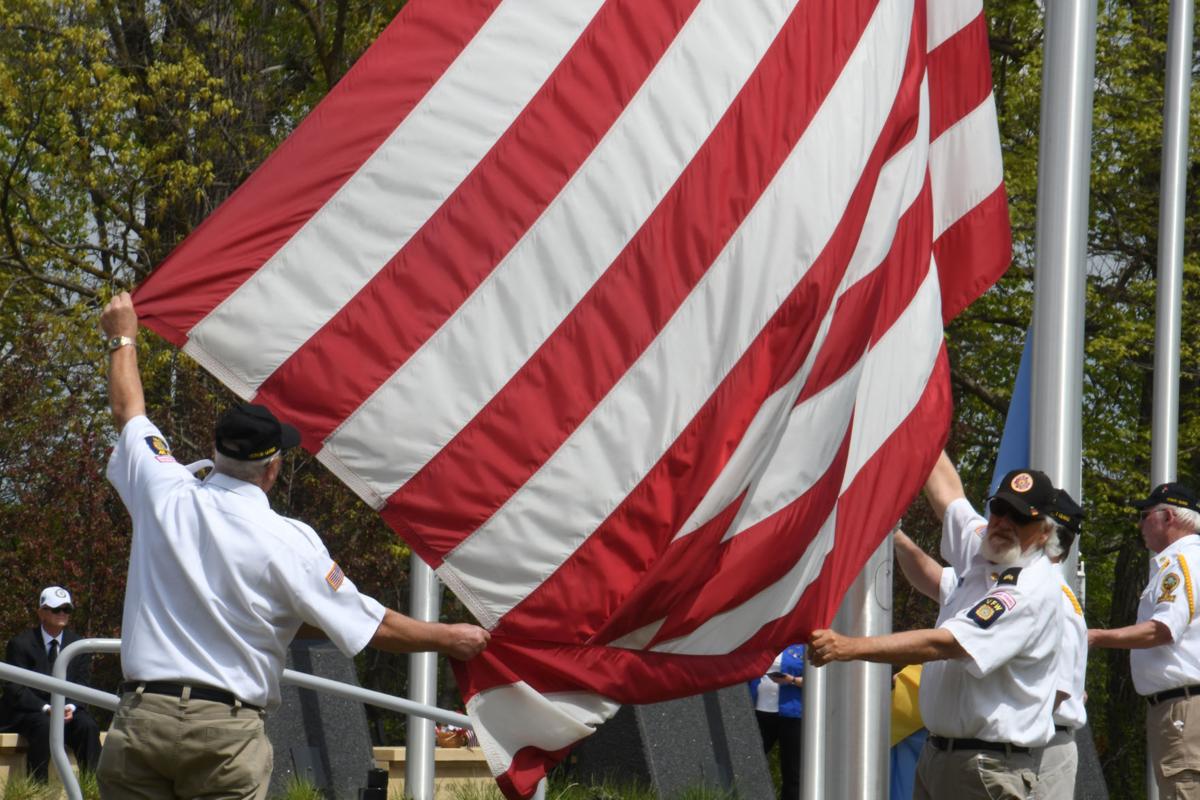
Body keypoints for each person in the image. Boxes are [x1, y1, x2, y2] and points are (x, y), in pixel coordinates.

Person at [95, 291, 490, 800]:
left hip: (139, 721)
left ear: (215, 453)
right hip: (223, 734)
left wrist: (121, 337)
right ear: (273, 467)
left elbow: (130, 413)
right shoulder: (289, 541)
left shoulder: (162, 491)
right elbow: (374, 625)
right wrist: (451, 637)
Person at [811, 452, 1064, 800]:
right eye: (999, 509)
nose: (1004, 522)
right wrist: (915, 412)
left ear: (1044, 531)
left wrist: (848, 647)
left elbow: (945, 644)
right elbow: (949, 497)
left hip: (986, 766)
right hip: (942, 757)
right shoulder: (989, 547)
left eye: (1020, 516)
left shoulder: (1028, 589)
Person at [1088, 481, 1200, 798]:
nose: (1140, 523)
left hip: (1184, 708)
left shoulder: (1180, 563)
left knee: (1184, 788)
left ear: (1168, 517)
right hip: (1183, 706)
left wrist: (1094, 637)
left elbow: (1161, 629)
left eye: (1145, 514)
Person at [0, 586, 102, 782]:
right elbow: (15, 690)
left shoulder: (77, 645)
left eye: (67, 609)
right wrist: (48, 708)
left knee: (87, 726)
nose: (62, 614)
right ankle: (38, 788)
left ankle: (92, 789)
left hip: (65, 712)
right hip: (30, 713)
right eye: (56, 609)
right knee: (45, 725)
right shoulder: (20, 644)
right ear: (41, 612)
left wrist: (70, 707)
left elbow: (82, 685)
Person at [1033, 489, 1087, 800]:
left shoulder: (1057, 601)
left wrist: (1011, 736)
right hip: (1039, 738)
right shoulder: (1038, 591)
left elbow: (1060, 689)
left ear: (1045, 535)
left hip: (1043, 744)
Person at [749, 644, 804, 800]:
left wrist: (791, 680)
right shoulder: (764, 640)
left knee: (792, 771)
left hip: (791, 715)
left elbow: (818, 681)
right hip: (760, 711)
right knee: (749, 763)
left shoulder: (803, 647)